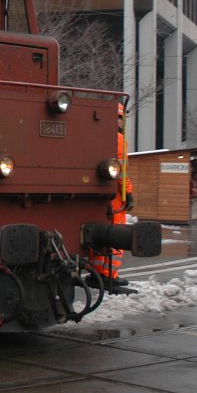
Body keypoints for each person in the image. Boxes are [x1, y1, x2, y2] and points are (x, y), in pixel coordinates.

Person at [88, 104, 136, 294]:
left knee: (98, 235)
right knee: (115, 233)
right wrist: (129, 192)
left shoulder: (94, 135)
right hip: (115, 195)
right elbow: (120, 171)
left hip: (98, 193)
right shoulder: (118, 139)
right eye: (120, 118)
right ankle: (109, 274)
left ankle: (95, 272)